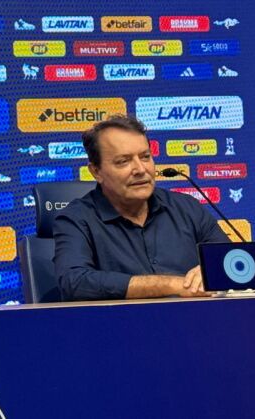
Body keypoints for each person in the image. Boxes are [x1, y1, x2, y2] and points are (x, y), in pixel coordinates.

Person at [53, 115, 230, 301]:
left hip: (198, 322)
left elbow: (232, 261)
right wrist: (171, 284)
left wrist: (212, 270)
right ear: (96, 172)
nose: (140, 169)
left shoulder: (186, 207)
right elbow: (75, 283)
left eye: (145, 157)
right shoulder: (76, 219)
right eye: (123, 161)